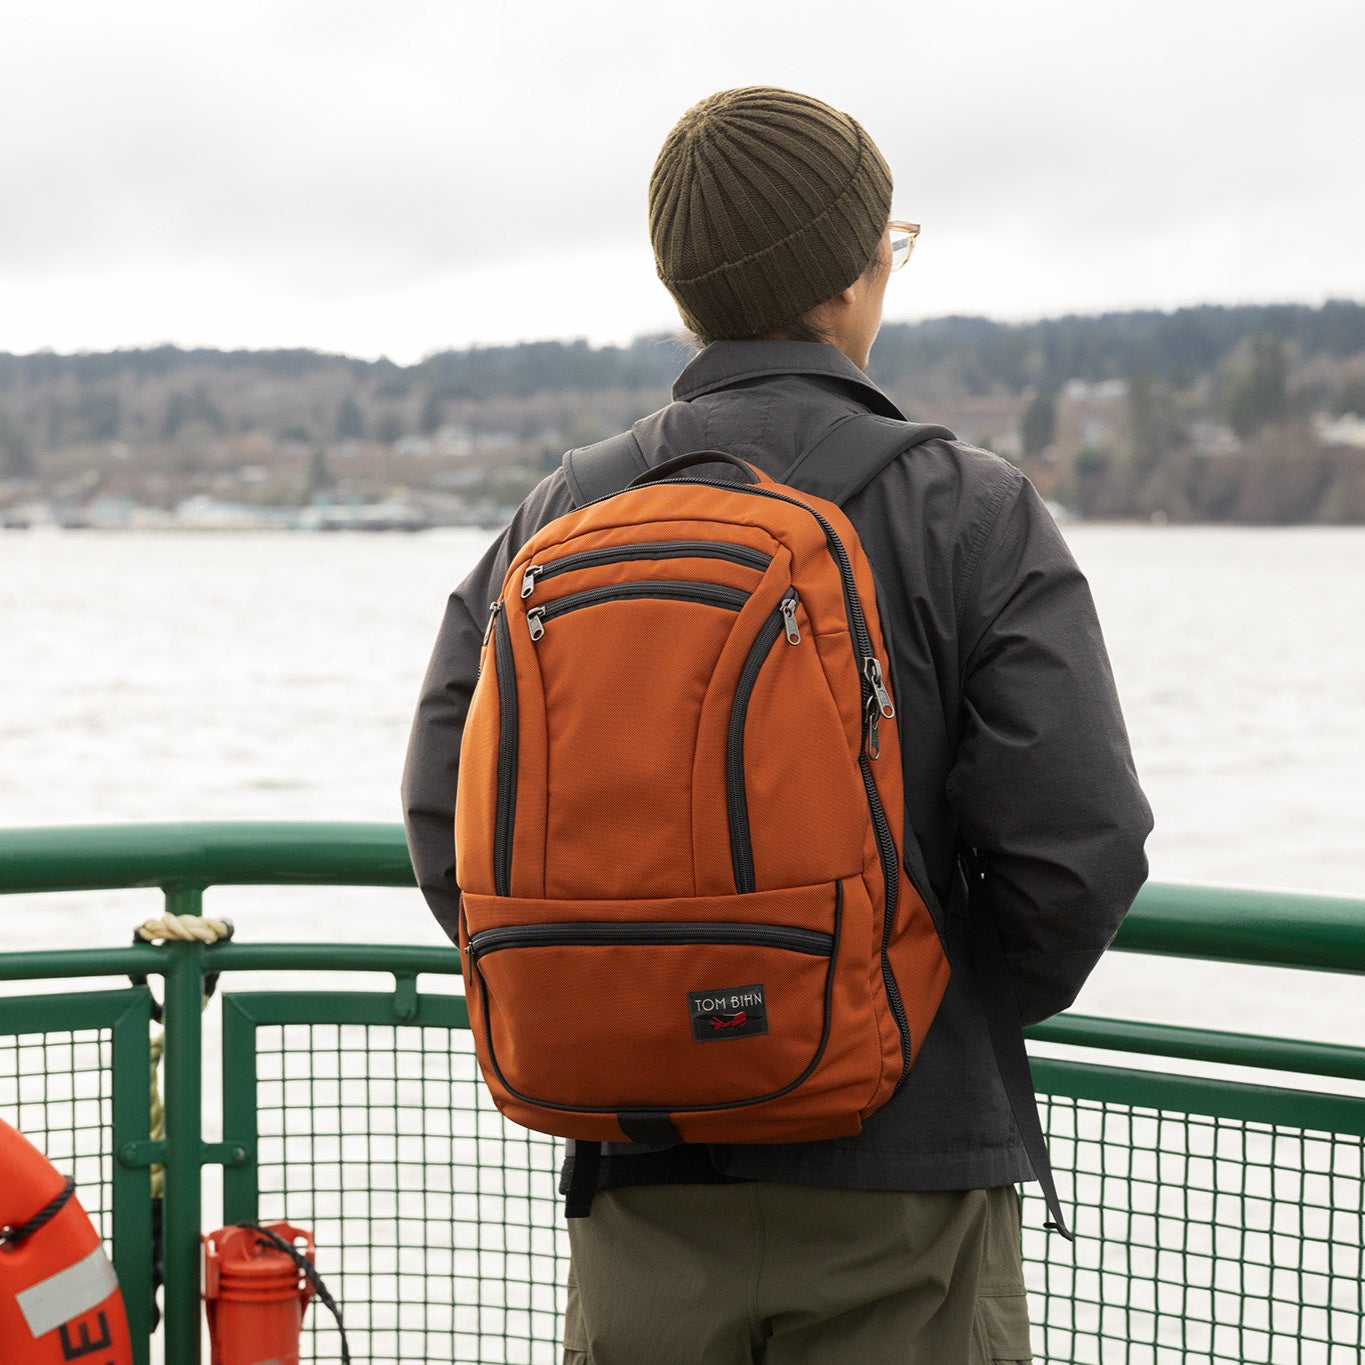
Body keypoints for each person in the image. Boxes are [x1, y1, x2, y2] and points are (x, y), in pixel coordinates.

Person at [403, 85, 1152, 1365]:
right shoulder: (969, 509)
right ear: (862, 277)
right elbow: (1078, 843)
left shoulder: (556, 517)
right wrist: (929, 1003)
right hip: (904, 1184)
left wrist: (626, 994)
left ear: (683, 289)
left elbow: (445, 818)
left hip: (641, 1179)